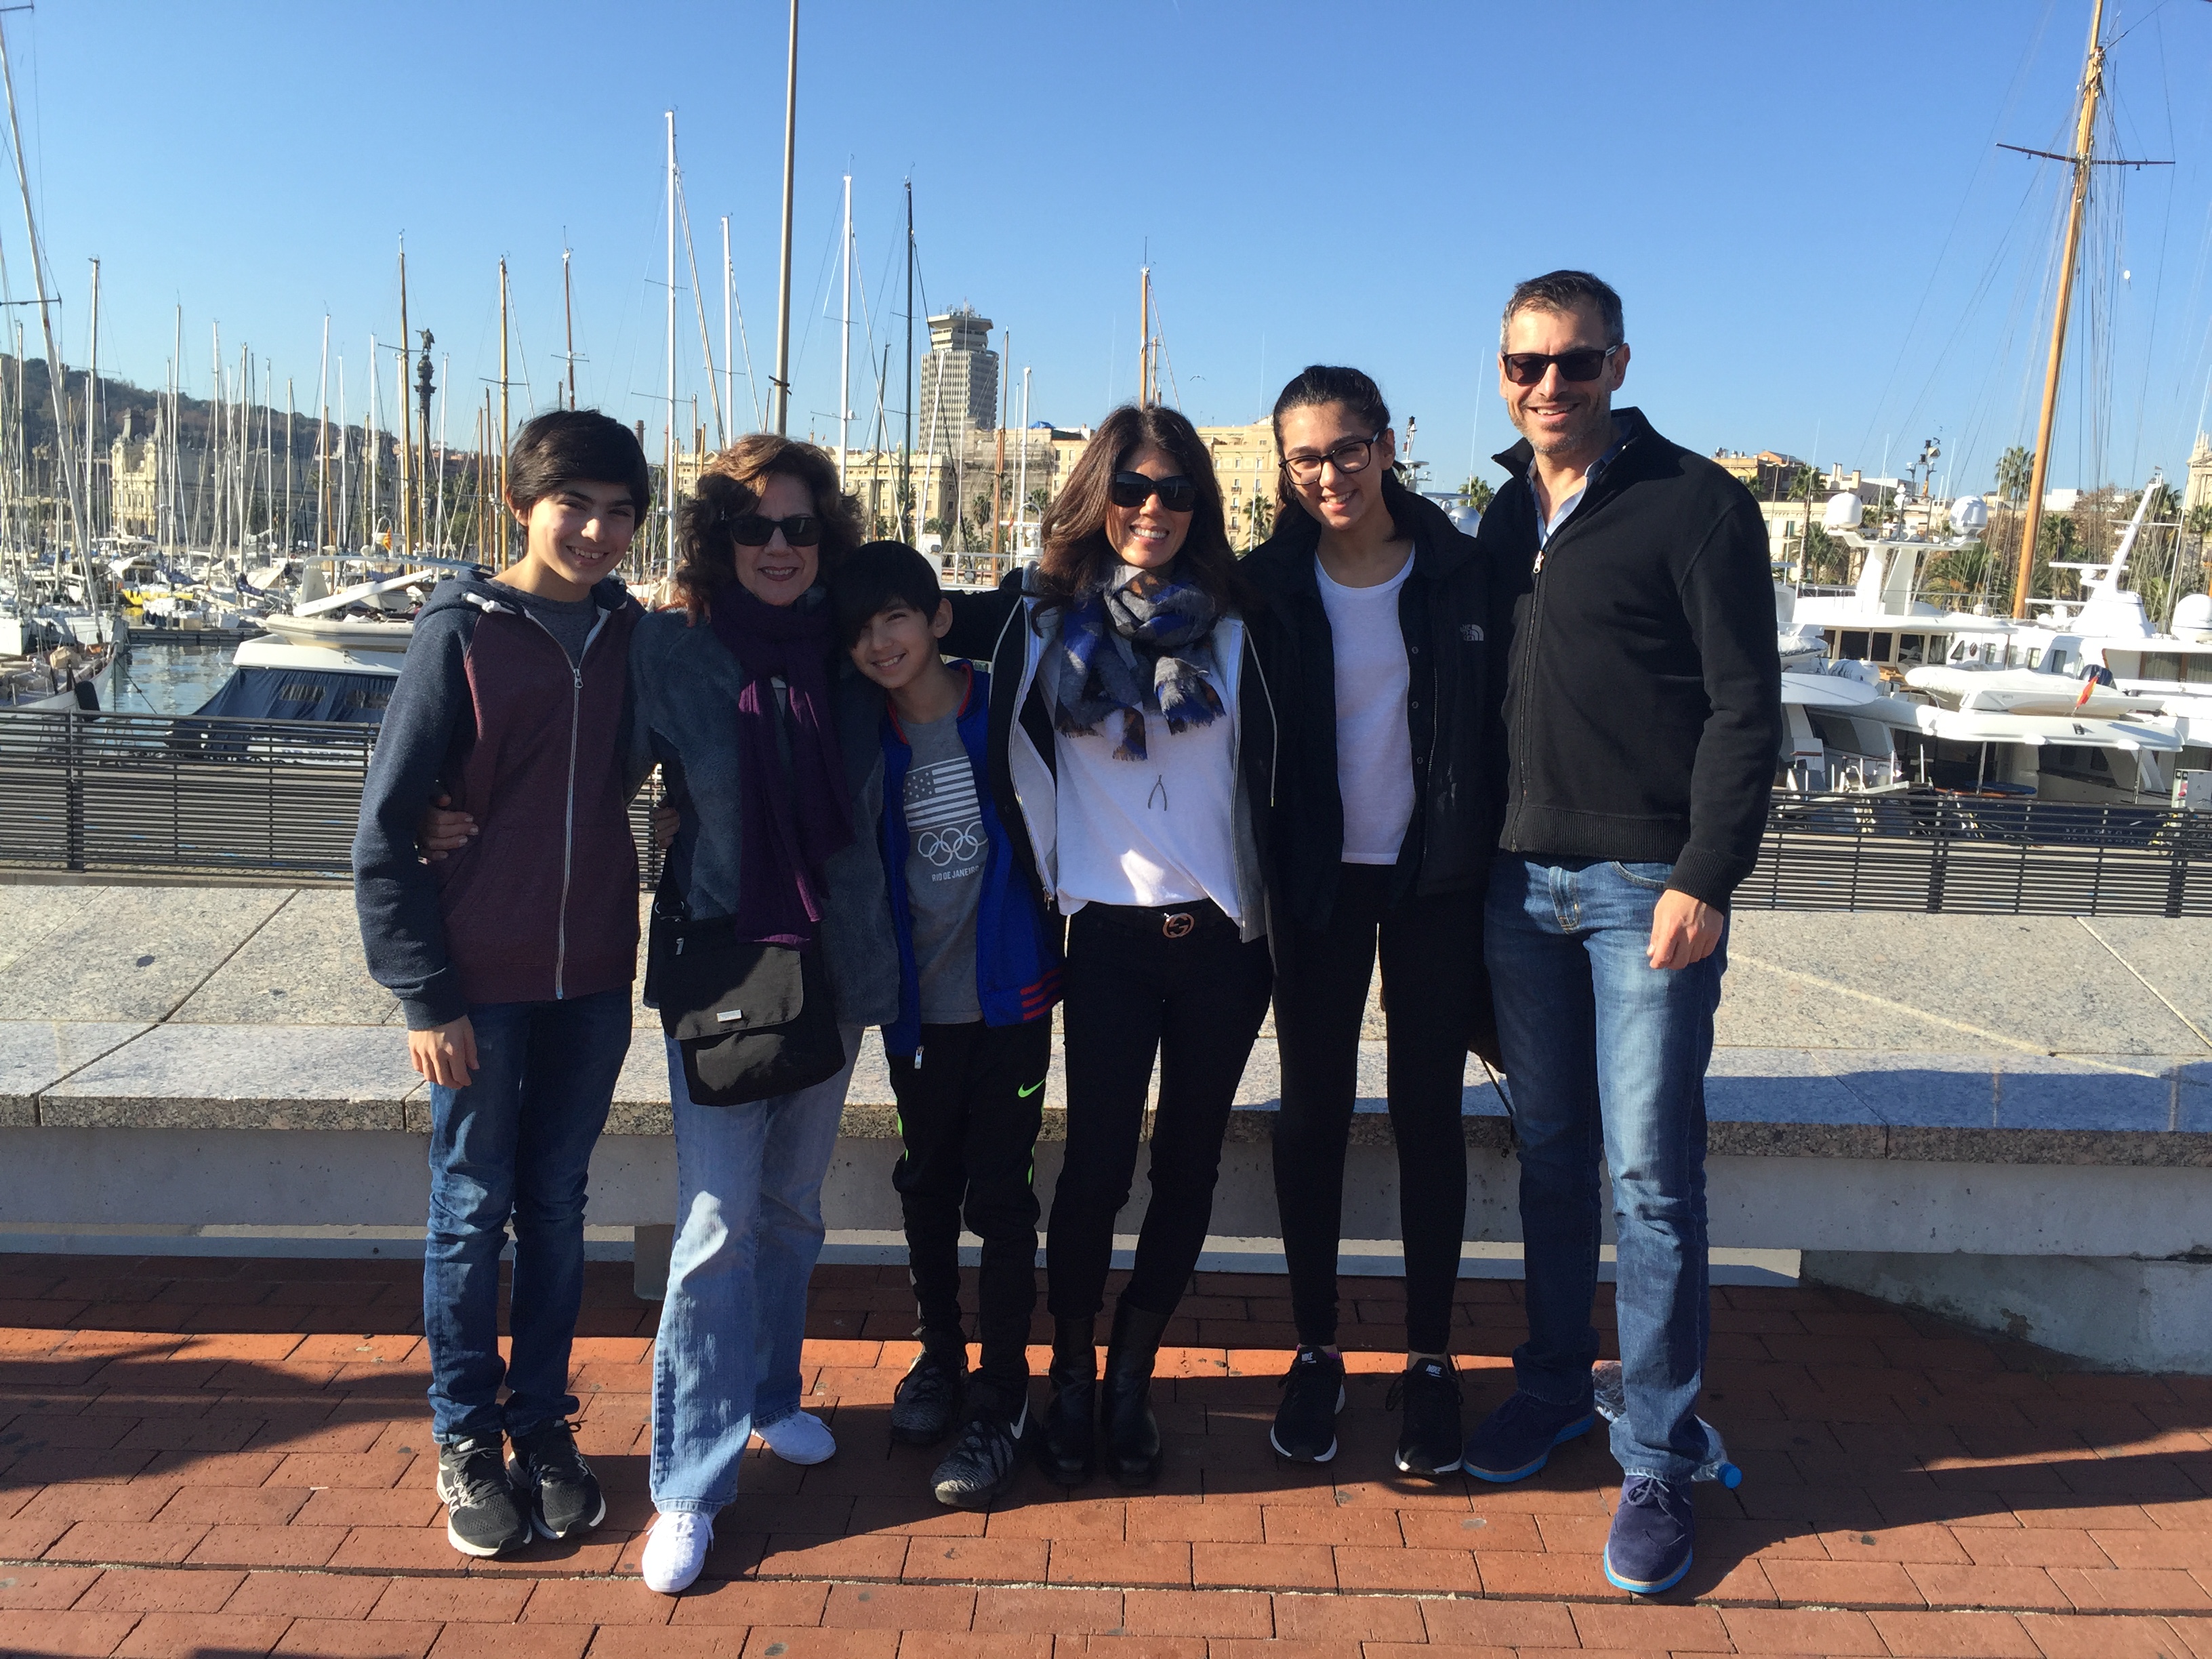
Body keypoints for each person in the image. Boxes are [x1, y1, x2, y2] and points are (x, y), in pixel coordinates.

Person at [1461, 271, 1781, 1595]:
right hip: (1516, 884)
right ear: (1501, 373)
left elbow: (1747, 707)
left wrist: (1706, 875)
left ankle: (1658, 1453)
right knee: (1549, 1156)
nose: (1550, 386)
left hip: (1646, 883)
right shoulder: (1500, 513)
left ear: (1619, 365)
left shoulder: (1697, 504)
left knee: (1650, 1176)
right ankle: (1551, 1386)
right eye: (1526, 365)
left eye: (1575, 363)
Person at [941, 405, 1277, 1489]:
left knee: (1188, 1163)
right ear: (1098, 496)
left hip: (1224, 941)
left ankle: (1135, 1366)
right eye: (1131, 487)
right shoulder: (1039, 628)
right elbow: (886, 629)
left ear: (1200, 505)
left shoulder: (1243, 627)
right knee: (1094, 1166)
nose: (1152, 508)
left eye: (1175, 490)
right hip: (1106, 942)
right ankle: (1074, 1368)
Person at [351, 408, 651, 1559]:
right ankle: (467, 1437)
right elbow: (386, 827)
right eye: (575, 505)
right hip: (479, 980)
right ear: (520, 506)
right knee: (472, 1208)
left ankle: (542, 1425)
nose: (597, 531)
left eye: (620, 513)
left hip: (593, 978)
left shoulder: (631, 634)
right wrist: (424, 993)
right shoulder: (462, 633)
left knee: (559, 1205)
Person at [628, 436, 899, 1595]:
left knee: (791, 1211)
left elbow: (967, 642)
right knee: (714, 1227)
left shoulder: (855, 647)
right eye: (754, 528)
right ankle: (689, 1483)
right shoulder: (673, 650)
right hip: (727, 969)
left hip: (837, 966)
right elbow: (586, 769)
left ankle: (771, 1394)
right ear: (718, 539)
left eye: (798, 528)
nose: (778, 547)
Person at [1244, 365, 1501, 1477]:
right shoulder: (1265, 583)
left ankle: (1430, 1360)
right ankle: (1316, 1348)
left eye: (1348, 450)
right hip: (1315, 879)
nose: (1329, 474)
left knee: (1425, 1110)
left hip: (1434, 874)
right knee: (1311, 1110)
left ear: (1388, 446)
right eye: (1306, 457)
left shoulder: (1462, 569)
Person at [832, 539, 1063, 1511]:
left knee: (1002, 1197)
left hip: (1010, 1002)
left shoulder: (1008, 705)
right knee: (926, 1183)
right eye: (860, 630)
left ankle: (1003, 1394)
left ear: (936, 620)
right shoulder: (863, 734)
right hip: (916, 1013)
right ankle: (940, 1356)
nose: (880, 643)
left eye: (897, 618)